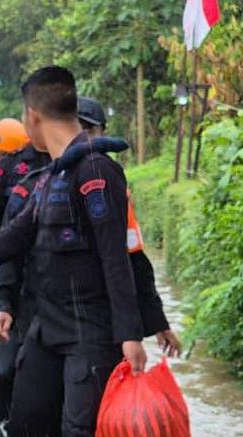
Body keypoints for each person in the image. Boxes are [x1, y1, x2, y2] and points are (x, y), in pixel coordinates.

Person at [0, 67, 147, 437]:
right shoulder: (53, 174)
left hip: (92, 330)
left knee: (79, 435)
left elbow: (119, 256)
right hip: (47, 326)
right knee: (26, 421)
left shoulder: (97, 172)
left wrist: (131, 334)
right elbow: (17, 233)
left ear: (32, 116)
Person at [78, 96, 182, 357]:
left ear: (104, 133)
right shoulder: (49, 180)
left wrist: (156, 321)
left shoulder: (112, 184)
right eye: (75, 131)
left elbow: (133, 256)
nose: (83, 140)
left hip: (99, 316)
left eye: (89, 131)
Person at [0, 119, 51, 437]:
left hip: (59, 297)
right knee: (4, 369)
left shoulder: (82, 171)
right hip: (9, 281)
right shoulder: (7, 174)